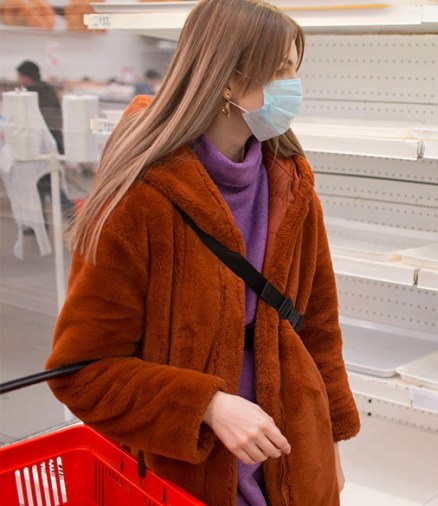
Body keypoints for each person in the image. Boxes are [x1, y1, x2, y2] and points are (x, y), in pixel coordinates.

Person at [44, 0, 360, 504]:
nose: (292, 88)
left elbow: (317, 322)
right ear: (228, 80)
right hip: (186, 471)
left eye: (293, 72)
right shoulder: (138, 197)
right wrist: (206, 404)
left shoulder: (290, 181)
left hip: (291, 456)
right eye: (280, 72)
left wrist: (330, 443)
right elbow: (81, 370)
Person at [14, 60, 75, 227]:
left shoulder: (34, 94)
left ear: (27, 77)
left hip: (45, 146)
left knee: (48, 184)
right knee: (47, 184)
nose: (17, 79)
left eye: (19, 76)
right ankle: (43, 223)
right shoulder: (46, 90)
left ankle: (49, 222)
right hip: (50, 145)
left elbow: (42, 122)